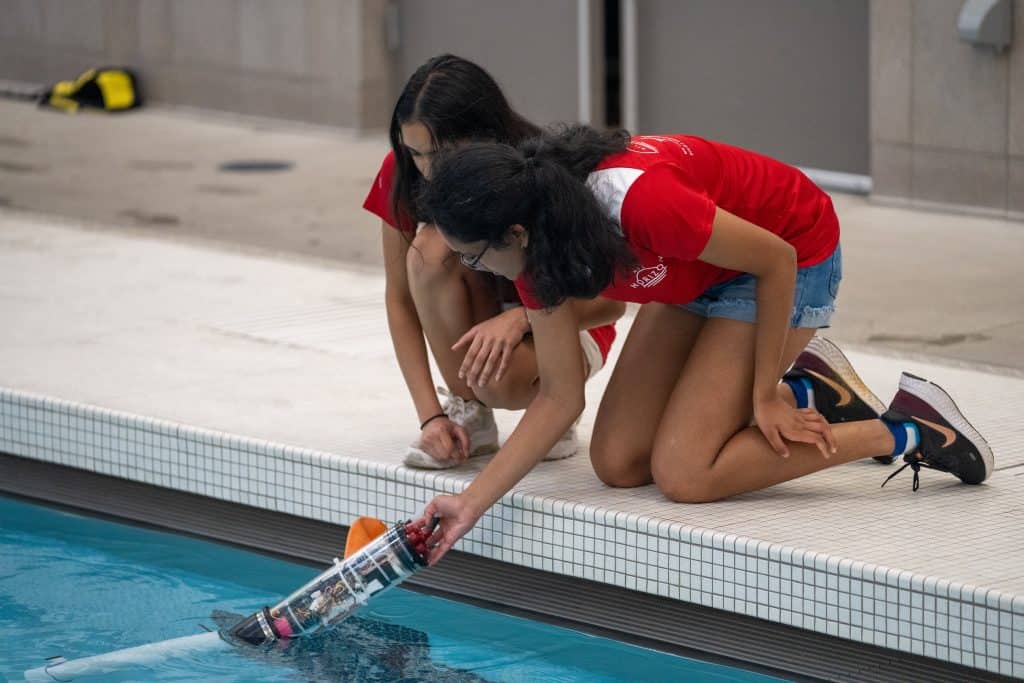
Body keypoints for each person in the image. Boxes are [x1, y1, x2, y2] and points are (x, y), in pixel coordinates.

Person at [415, 126, 994, 563]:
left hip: (784, 253)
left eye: (472, 254)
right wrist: (471, 503)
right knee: (618, 462)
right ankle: (811, 390)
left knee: (686, 472)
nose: (473, 267)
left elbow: (775, 258)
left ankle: (913, 427)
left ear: (513, 232)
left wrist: (763, 392)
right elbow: (560, 398)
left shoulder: (636, 201)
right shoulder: (533, 245)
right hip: (695, 273)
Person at [362, 56, 624, 469]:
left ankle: (555, 397)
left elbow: (612, 302)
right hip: (485, 307)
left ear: (486, 134)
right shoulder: (403, 174)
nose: (429, 171)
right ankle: (469, 412)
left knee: (499, 384)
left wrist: (522, 317)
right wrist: (430, 415)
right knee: (429, 251)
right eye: (416, 153)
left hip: (565, 320)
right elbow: (399, 300)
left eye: (444, 154)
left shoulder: (540, 169)